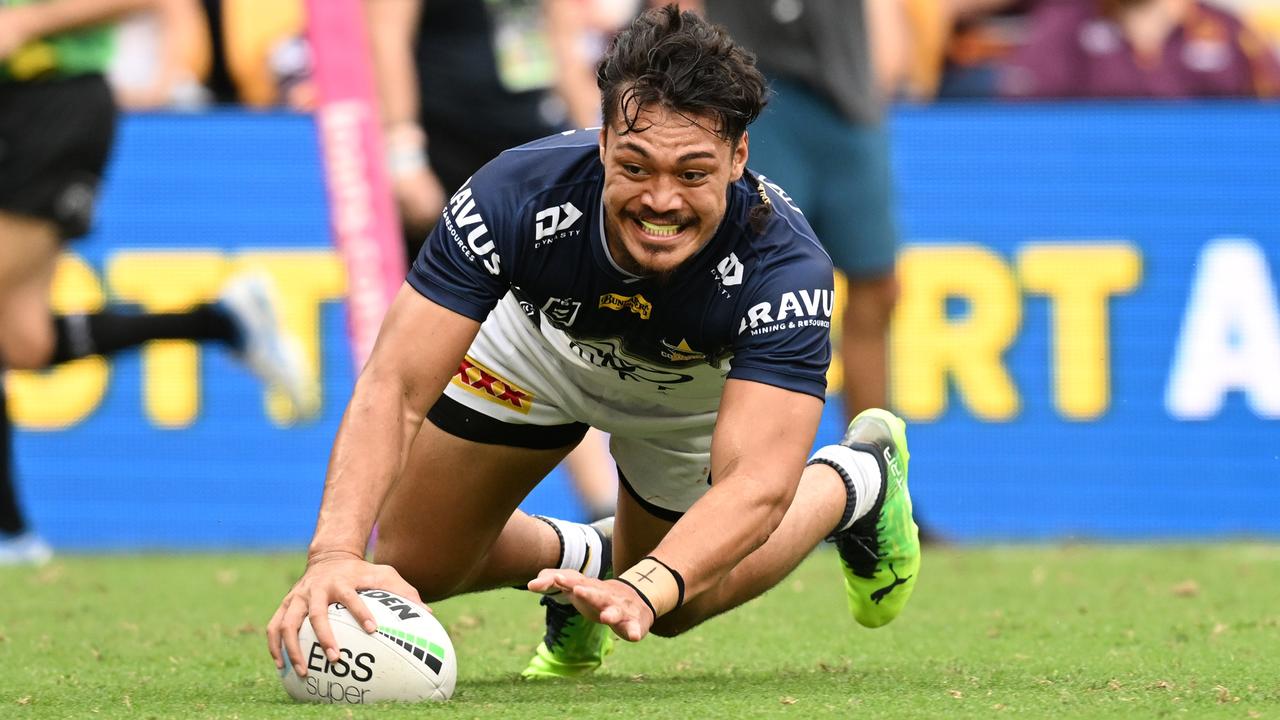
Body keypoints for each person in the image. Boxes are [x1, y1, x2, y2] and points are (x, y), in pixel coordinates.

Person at [265, 5, 921, 683]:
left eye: (693, 174)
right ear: (602, 140)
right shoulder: (512, 194)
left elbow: (756, 484)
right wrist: (335, 553)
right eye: (636, 166)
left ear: (738, 156)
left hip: (685, 395)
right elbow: (394, 385)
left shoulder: (784, 267)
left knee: (673, 607)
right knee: (410, 564)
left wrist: (646, 587)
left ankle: (855, 479)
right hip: (541, 350)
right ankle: (587, 557)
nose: (660, 200)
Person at [0, 0, 317, 564]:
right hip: (18, 106)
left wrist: (27, 22)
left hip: (52, 100)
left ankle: (14, 535)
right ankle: (215, 321)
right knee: (23, 342)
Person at [365, 0, 619, 519]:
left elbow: (559, 33)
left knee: (566, 324)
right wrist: (403, 152)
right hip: (446, 144)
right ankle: (400, 511)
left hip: (526, 141)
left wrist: (599, 140)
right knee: (433, 335)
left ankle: (602, 505)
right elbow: (385, 34)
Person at [1000, 0, 1280, 98]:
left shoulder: (1228, 30)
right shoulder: (1066, 22)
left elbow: (1268, 108)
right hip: (1094, 184)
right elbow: (1025, 116)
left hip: (1206, 188)